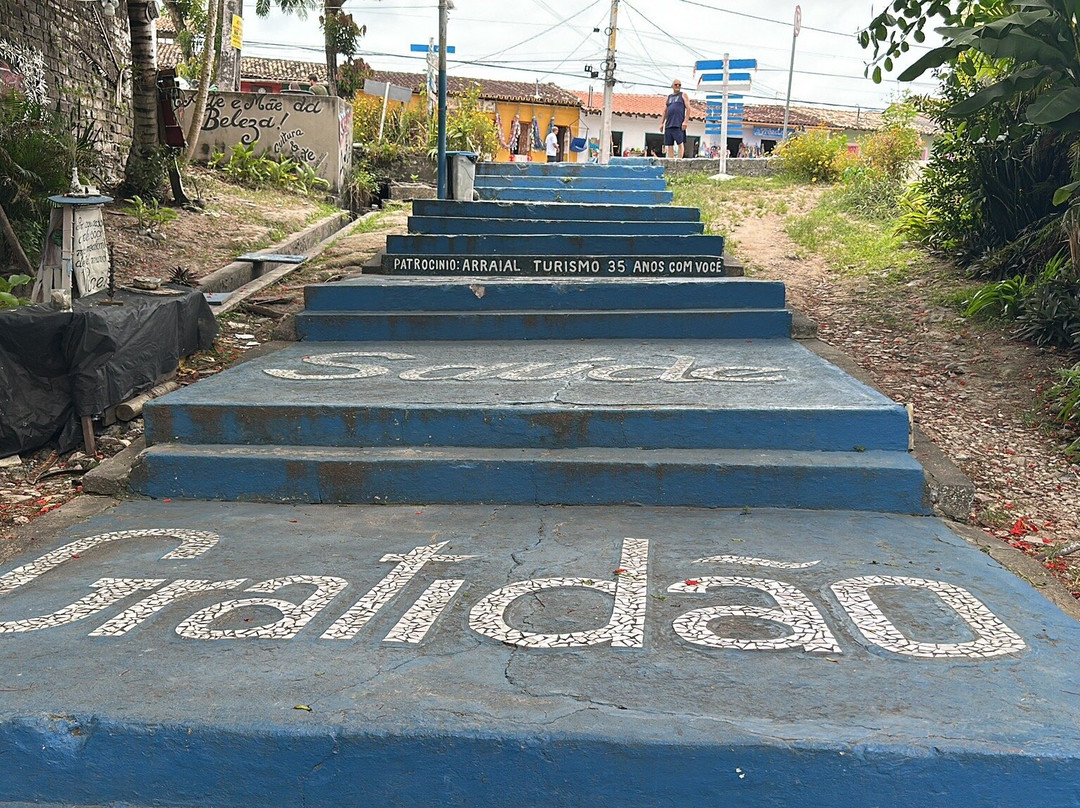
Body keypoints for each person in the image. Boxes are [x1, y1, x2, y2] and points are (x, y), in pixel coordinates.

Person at [660, 79, 688, 159]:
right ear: (672, 86)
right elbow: (665, 111)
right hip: (669, 124)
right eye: (676, 84)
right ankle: (671, 161)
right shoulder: (669, 97)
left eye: (679, 85)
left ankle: (679, 160)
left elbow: (689, 109)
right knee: (669, 145)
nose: (678, 86)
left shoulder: (683, 95)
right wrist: (661, 123)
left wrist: (685, 121)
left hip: (678, 123)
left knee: (680, 143)